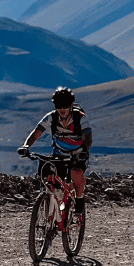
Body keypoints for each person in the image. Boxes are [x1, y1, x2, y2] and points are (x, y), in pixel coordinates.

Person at [18, 87, 92, 219]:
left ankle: (79, 200)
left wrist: (85, 151)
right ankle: (53, 209)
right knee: (50, 178)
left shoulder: (80, 118)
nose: (62, 109)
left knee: (76, 173)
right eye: (58, 106)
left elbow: (88, 136)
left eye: (65, 105)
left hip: (78, 153)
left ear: (70, 106)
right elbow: (36, 133)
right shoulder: (51, 117)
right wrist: (26, 146)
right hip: (59, 154)